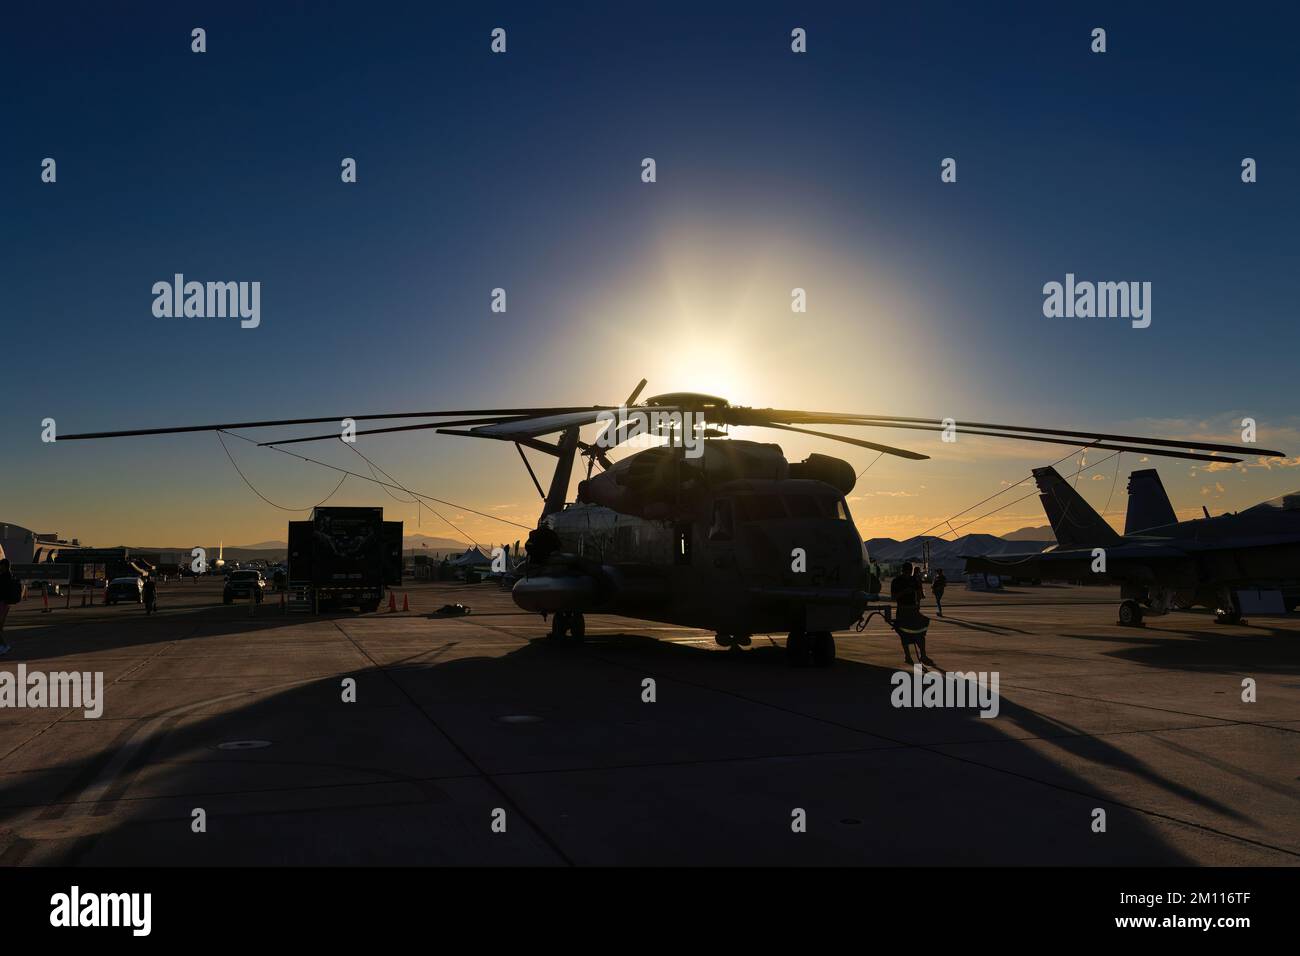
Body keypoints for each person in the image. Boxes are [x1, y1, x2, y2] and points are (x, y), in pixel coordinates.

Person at [890, 561, 934, 666]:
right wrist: (904, 592)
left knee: (920, 634)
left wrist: (918, 602)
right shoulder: (897, 581)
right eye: (907, 571)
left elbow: (919, 593)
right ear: (903, 570)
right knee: (904, 634)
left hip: (913, 610)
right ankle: (908, 656)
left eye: (909, 571)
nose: (908, 573)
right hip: (903, 610)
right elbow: (893, 597)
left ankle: (922, 655)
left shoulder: (914, 580)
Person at [0, 558, 19, 655]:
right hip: (5, 603)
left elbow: (3, 590)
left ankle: (4, 646)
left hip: (3, 603)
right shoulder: (9, 575)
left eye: (1, 565)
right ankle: (3, 646)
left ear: (5, 566)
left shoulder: (5, 576)